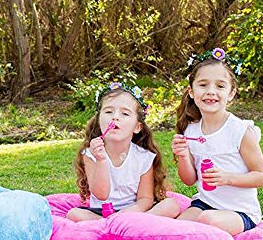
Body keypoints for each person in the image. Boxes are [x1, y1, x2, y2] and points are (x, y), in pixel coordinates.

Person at [171, 48, 263, 235]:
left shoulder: (240, 131)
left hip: (240, 211)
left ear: (231, 93)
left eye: (220, 86)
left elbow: (262, 177)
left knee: (206, 221)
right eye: (203, 85)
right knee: (177, 227)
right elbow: (189, 180)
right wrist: (183, 156)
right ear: (191, 91)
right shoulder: (191, 131)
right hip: (205, 203)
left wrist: (228, 178)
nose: (211, 92)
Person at [67, 81, 180, 222]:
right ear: (98, 120)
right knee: (74, 214)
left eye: (125, 113)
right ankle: (120, 226)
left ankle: (119, 225)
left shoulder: (143, 157)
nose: (115, 117)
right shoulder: (90, 154)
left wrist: (125, 215)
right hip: (101, 213)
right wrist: (101, 160)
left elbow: (145, 199)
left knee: (171, 205)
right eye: (108, 112)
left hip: (133, 211)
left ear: (137, 127)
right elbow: (101, 194)